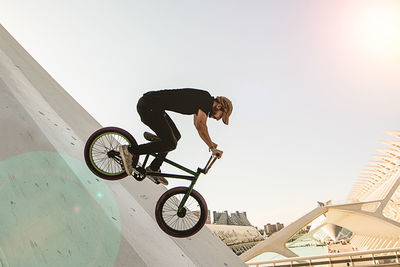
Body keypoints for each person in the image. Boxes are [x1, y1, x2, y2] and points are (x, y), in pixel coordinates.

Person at [119, 88, 233, 185]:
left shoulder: (202, 101)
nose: (217, 119)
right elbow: (201, 126)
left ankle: (154, 167)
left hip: (153, 107)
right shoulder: (205, 100)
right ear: (218, 106)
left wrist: (211, 143)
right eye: (220, 116)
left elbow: (197, 124)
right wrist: (212, 148)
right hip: (149, 106)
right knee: (170, 143)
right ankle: (129, 151)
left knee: (176, 136)